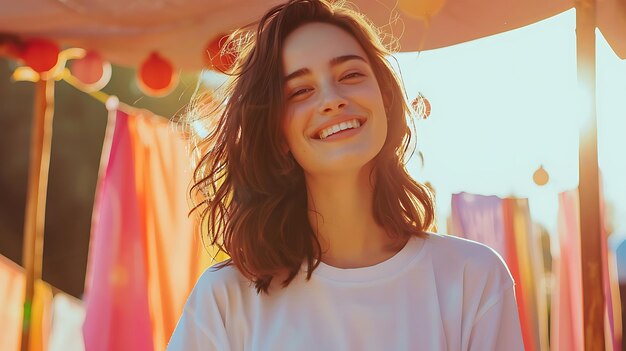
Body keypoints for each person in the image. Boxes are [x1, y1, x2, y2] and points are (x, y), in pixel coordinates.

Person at [168, 0, 523, 350]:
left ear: (385, 97)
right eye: (300, 90)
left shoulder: (473, 278)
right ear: (277, 133)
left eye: (351, 74)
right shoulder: (225, 299)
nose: (332, 99)